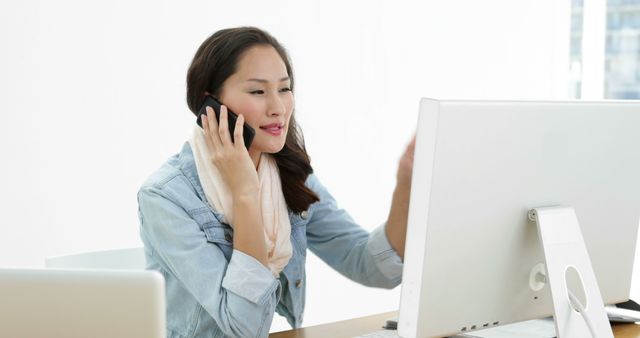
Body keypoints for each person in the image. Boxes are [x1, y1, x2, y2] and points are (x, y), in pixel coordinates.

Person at [137, 26, 414, 338]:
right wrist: (245, 194)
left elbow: (372, 267)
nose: (278, 108)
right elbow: (245, 328)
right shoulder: (166, 197)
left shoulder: (286, 174)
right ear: (211, 105)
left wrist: (406, 182)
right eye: (258, 91)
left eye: (284, 89)